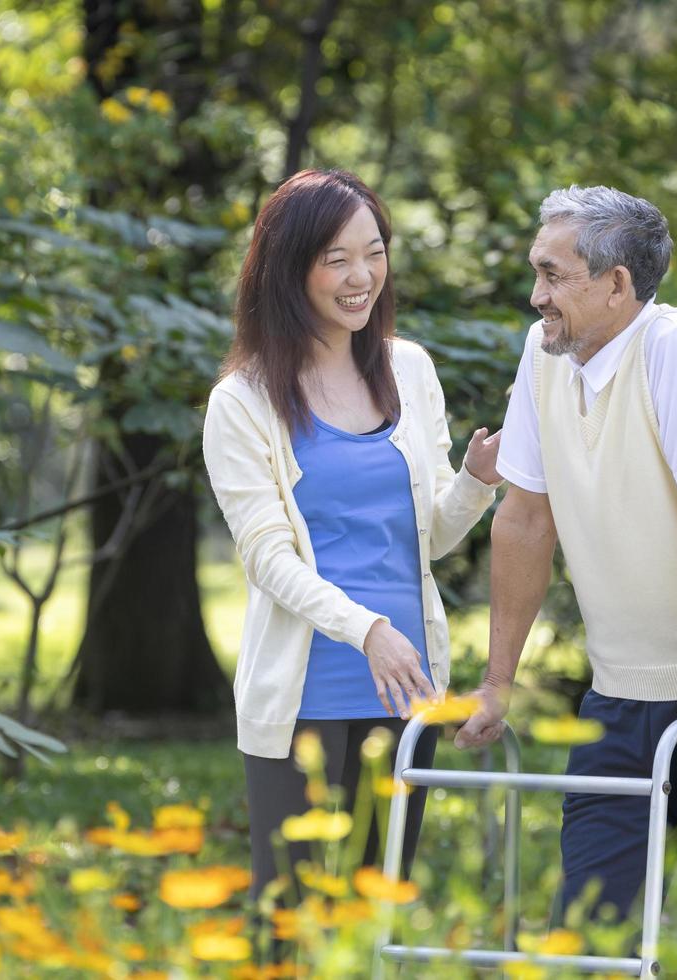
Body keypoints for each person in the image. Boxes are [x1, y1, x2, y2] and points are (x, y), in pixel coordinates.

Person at [454, 184, 677, 950]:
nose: (534, 295)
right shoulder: (543, 355)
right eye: (536, 273)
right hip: (621, 699)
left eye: (553, 276)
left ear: (617, 285)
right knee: (586, 948)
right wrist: (496, 683)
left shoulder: (676, 350)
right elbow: (523, 517)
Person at [202, 169, 502, 923]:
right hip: (304, 695)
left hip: (408, 687)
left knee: (377, 922)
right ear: (289, 265)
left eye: (374, 252)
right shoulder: (241, 402)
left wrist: (474, 479)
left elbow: (429, 533)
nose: (361, 276)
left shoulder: (411, 369)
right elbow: (268, 560)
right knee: (295, 925)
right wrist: (367, 631)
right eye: (337, 258)